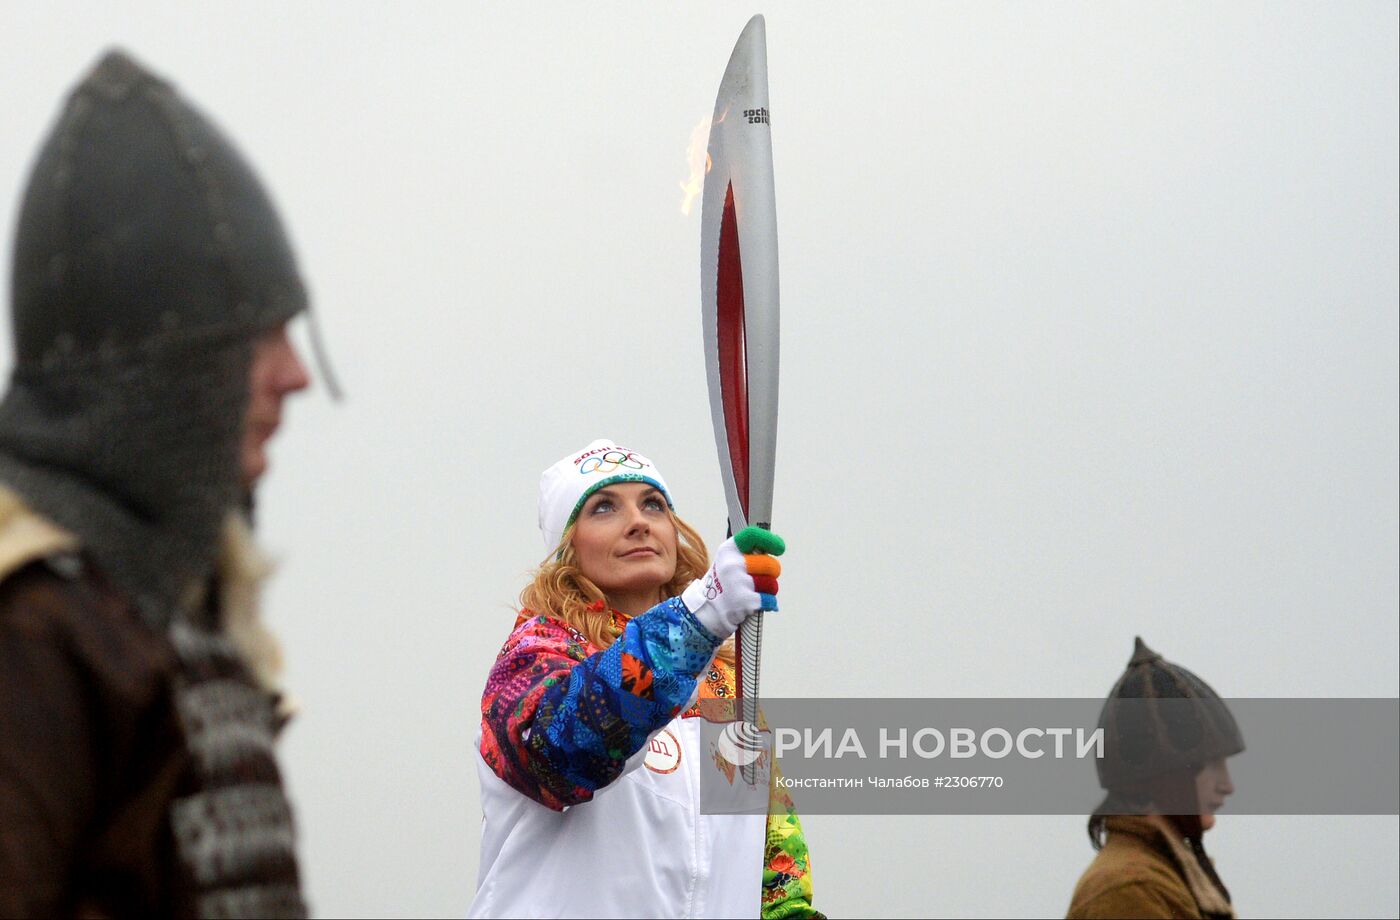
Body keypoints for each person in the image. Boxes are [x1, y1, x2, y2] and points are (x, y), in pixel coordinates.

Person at [0, 50, 320, 917]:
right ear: (169, 370)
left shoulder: (175, 608)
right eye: (261, 339)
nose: (296, 376)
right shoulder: (35, 631)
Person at [469, 439, 821, 918]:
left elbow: (778, 878)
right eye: (604, 508)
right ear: (567, 547)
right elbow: (566, 750)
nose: (639, 521)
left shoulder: (722, 686)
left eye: (653, 504)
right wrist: (698, 621)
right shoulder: (535, 655)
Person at [1066, 637, 1243, 920]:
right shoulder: (1130, 889)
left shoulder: (1162, 877)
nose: (1227, 786)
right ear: (1167, 775)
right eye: (1213, 766)